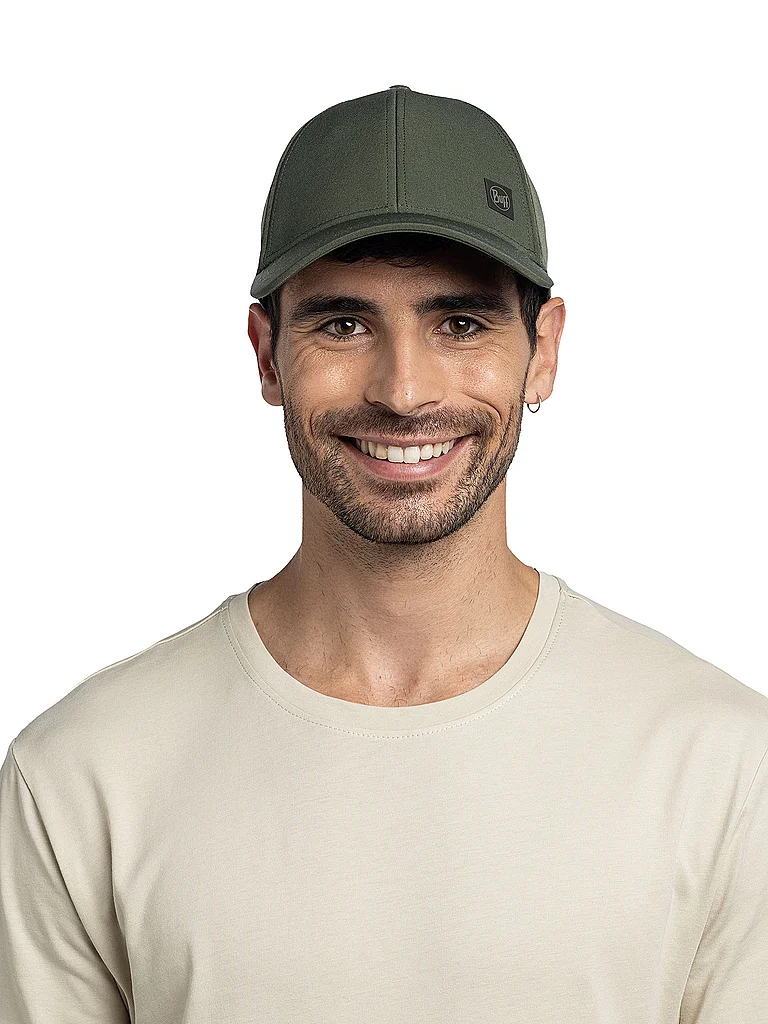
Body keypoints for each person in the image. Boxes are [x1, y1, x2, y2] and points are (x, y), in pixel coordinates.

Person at [1, 85, 766, 1024]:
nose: (403, 392)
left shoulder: (723, 764)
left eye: (461, 323)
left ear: (544, 350)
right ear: (267, 355)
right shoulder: (84, 776)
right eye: (343, 324)